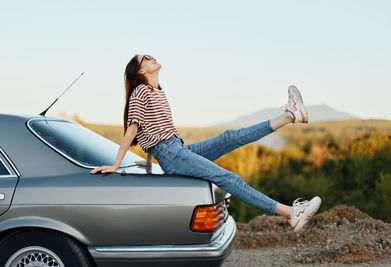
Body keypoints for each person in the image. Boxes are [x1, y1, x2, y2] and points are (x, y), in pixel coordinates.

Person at [90, 54, 321, 232]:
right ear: (140, 71)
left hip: (176, 150)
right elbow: (132, 129)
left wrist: (150, 165)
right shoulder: (140, 91)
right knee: (229, 178)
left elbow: (148, 132)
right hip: (172, 154)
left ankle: (290, 116)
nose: (151, 57)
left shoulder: (157, 90)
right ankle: (292, 214)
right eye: (146, 58)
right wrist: (115, 165)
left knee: (228, 137)